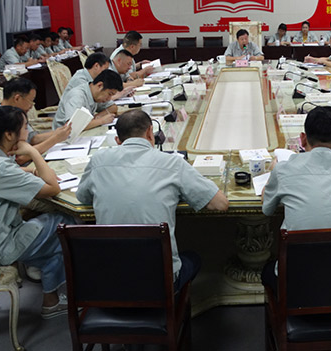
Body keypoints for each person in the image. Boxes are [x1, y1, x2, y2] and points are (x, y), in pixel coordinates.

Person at [77, 109, 229, 290]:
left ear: (118, 141)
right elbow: (220, 204)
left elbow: (83, 197)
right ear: (151, 132)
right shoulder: (172, 163)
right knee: (193, 258)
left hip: (109, 280)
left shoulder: (98, 160)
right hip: (159, 283)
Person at [0, 106, 74, 319]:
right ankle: (57, 294)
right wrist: (33, 153)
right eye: (25, 127)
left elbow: (9, 172)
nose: (28, 132)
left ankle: (51, 298)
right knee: (66, 224)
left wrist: (32, 170)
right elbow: (53, 188)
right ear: (9, 135)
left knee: (51, 229)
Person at [261, 106, 331, 291]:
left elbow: (267, 209)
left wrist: (273, 175)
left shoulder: (283, 170)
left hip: (297, 283)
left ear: (303, 139)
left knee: (267, 270)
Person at [0, 78, 71, 156]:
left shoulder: (15, 113)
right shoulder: (2, 118)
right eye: (31, 101)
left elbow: (32, 139)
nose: (31, 106)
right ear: (17, 98)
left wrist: (60, 132)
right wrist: (55, 139)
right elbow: (21, 157)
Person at [53, 69, 122, 129]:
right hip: (63, 137)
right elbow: (73, 126)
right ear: (100, 85)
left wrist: (98, 117)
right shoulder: (77, 95)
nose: (109, 99)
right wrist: (101, 121)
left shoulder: (95, 94)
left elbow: (113, 107)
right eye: (109, 94)